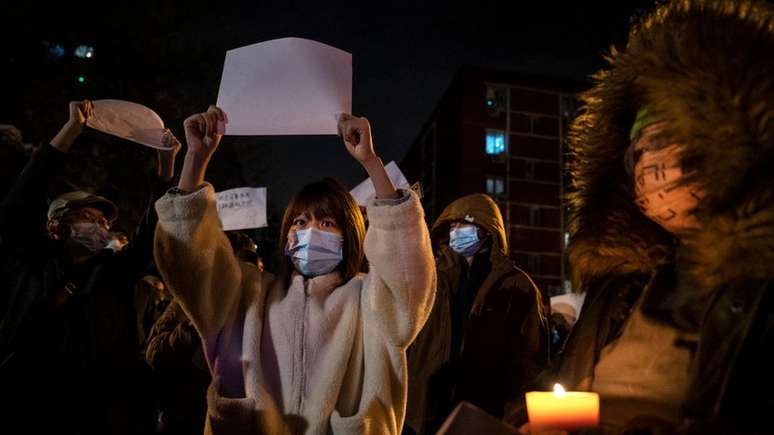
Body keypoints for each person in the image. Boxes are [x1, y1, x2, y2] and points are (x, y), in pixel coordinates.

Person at [518, 1, 774, 433]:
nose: (650, 164)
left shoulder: (759, 286)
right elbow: (560, 387)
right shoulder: (620, 285)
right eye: (638, 148)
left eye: (670, 138)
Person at [153, 107, 436, 434]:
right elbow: (190, 260)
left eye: (327, 222)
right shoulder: (249, 292)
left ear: (350, 236)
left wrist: (371, 161)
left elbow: (406, 268)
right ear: (287, 237)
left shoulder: (371, 300)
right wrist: (196, 160)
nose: (310, 230)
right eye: (300, 222)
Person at [0, 100, 180, 434]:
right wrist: (70, 131)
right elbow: (24, 197)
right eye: (86, 217)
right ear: (55, 226)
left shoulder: (113, 271)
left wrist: (165, 164)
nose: (98, 226)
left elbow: (153, 231)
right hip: (30, 408)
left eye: (103, 221)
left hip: (101, 415)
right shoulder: (32, 261)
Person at [405, 193, 548, 434]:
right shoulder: (429, 279)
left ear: (486, 229)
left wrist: (518, 415)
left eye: (464, 224)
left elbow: (530, 361)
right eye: (452, 225)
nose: (456, 231)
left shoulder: (517, 286)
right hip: (422, 413)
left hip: (485, 414)